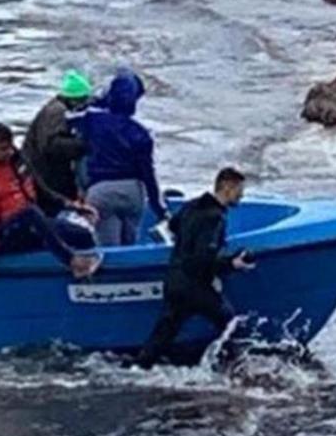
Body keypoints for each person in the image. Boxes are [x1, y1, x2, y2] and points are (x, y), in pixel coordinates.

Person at [136, 168, 255, 368]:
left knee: (162, 336)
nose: (241, 196)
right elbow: (202, 259)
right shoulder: (214, 217)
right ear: (226, 187)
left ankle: (138, 369)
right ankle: (234, 368)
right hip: (195, 286)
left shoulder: (191, 206)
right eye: (239, 190)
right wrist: (232, 263)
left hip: (174, 282)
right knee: (230, 323)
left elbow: (172, 226)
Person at [0, 123, 101, 279]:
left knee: (80, 234)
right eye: (2, 149)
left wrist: (72, 205)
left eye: (9, 147)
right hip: (2, 234)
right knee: (29, 213)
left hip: (32, 225)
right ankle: (72, 261)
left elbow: (41, 190)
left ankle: (91, 271)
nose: (8, 153)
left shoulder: (17, 161)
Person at [75, 68, 168, 246]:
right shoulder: (141, 133)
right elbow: (148, 174)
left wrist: (103, 99)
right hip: (133, 192)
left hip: (101, 192)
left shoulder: (92, 121)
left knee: (109, 247)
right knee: (129, 244)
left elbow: (76, 112)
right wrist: (158, 208)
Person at [22, 70, 93, 216]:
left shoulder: (54, 109)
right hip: (45, 177)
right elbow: (51, 145)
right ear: (75, 99)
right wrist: (84, 144)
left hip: (42, 173)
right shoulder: (57, 112)